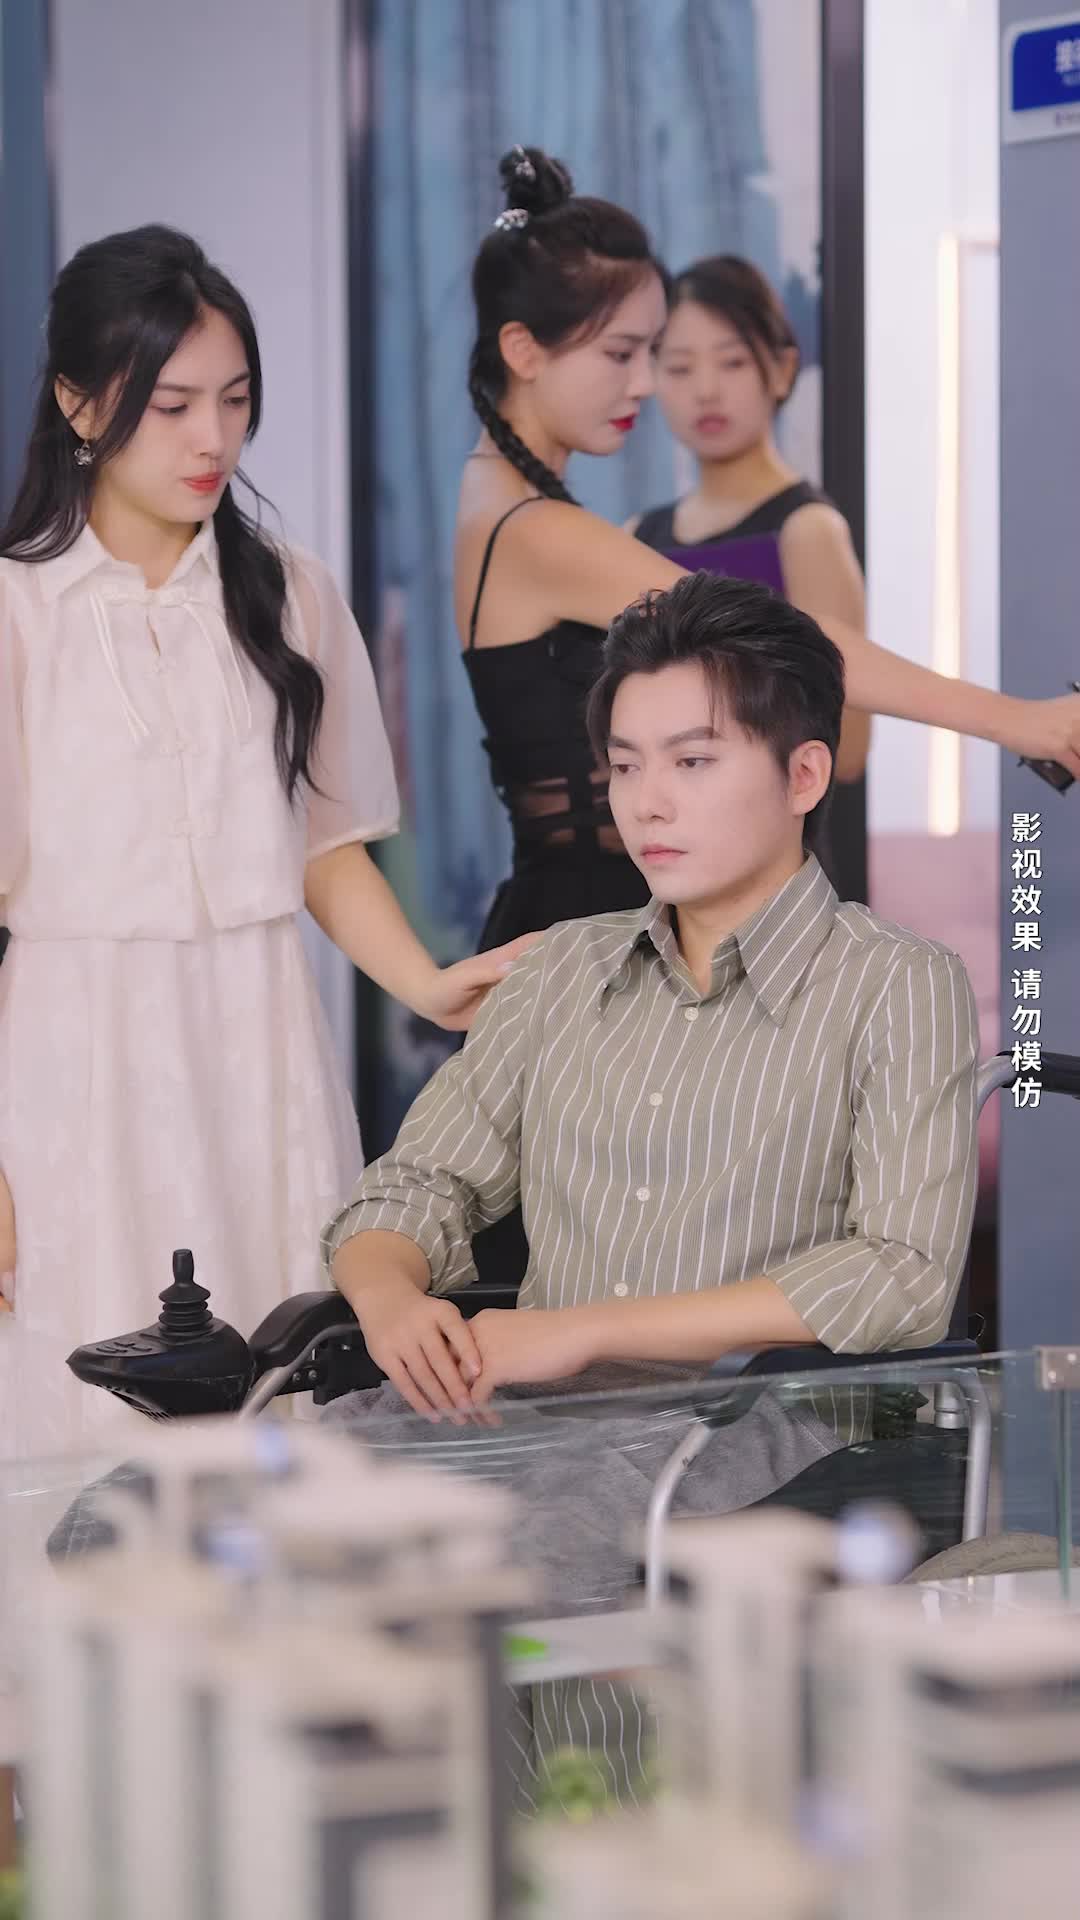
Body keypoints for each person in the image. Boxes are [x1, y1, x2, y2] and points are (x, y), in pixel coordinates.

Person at [325, 569, 980, 1805]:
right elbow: (414, 1185)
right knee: (173, 1531)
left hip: (755, 1429)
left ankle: (557, 1854)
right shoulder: (561, 971)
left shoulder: (898, 984)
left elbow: (900, 1273)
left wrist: (582, 1333)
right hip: (510, 1418)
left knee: (476, 1582)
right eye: (626, 766)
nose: (647, 803)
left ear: (802, 775)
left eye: (692, 761)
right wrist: (390, 1299)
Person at [455, 142, 1078, 1291]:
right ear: (525, 351)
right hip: (593, 920)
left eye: (663, 355)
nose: (651, 387)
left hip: (611, 909)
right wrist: (1024, 723)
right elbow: (795, 646)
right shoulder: (539, 531)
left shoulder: (521, 505)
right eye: (627, 354)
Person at [0, 225, 528, 1459]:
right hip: (74, 1060)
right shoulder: (17, 611)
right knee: (80, 1407)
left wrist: (428, 983)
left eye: (234, 401)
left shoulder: (289, 592)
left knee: (280, 1391)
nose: (214, 439)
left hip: (260, 1042)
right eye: (172, 404)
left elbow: (324, 849)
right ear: (78, 402)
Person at [631, 251, 871, 786]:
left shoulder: (806, 532)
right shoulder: (636, 536)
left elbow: (849, 747)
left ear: (782, 370)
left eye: (732, 362)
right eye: (680, 367)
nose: (706, 390)